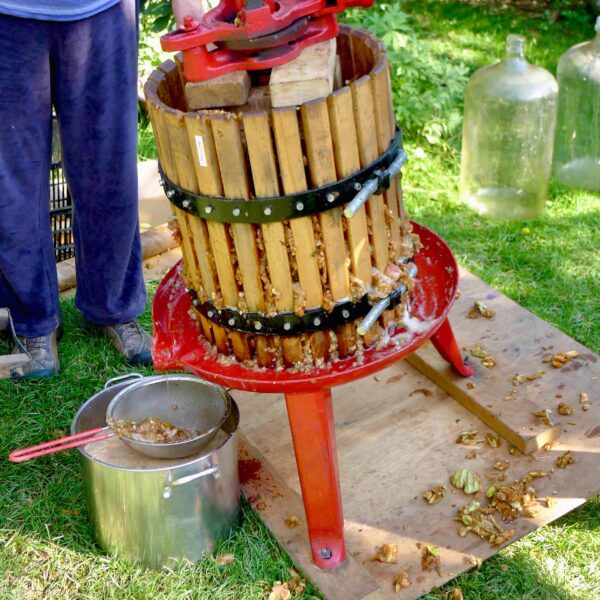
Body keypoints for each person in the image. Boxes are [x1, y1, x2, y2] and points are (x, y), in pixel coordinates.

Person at [0, 0, 152, 378]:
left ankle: (113, 306)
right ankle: (32, 322)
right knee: (9, 182)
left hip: (103, 9)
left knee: (110, 167)